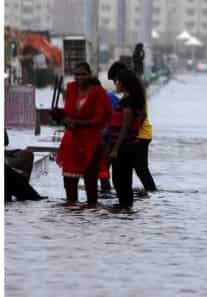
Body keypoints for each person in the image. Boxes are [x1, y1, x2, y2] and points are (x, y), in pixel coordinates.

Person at [52, 62, 112, 206]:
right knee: (69, 186)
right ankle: (73, 217)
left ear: (89, 75)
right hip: (71, 140)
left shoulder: (98, 92)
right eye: (77, 74)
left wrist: (76, 123)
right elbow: (68, 113)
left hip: (90, 142)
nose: (79, 77)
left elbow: (99, 119)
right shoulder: (71, 88)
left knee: (91, 186)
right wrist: (61, 117)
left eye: (83, 74)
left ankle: (90, 216)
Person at [109, 62, 157, 193]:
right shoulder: (132, 92)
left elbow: (140, 116)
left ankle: (152, 193)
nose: (115, 83)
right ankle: (150, 194)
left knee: (140, 169)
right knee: (137, 170)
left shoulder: (133, 96)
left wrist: (133, 132)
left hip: (140, 135)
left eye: (115, 80)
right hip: (139, 135)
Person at [108, 69, 147, 208]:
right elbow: (141, 117)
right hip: (129, 144)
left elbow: (126, 126)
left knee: (119, 179)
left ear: (124, 83)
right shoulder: (132, 100)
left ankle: (124, 207)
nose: (116, 84)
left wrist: (116, 148)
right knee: (124, 179)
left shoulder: (127, 102)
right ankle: (126, 209)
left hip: (124, 146)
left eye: (117, 81)